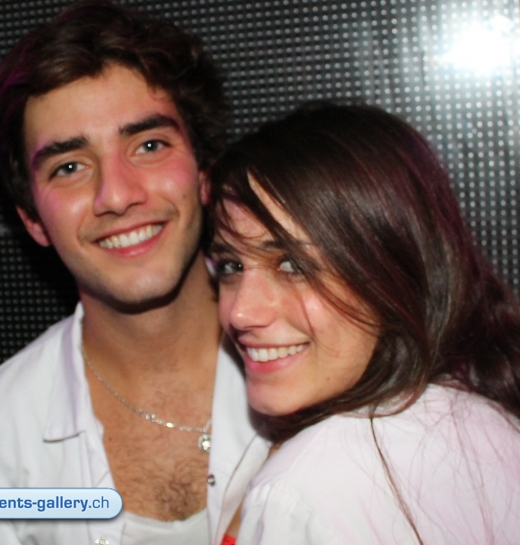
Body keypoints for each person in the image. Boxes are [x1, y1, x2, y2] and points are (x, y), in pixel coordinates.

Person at [0, 2, 268, 544]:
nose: (116, 195)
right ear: (32, 219)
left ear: (205, 173)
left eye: (149, 145)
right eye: (69, 167)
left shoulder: (326, 358)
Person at [208, 102, 520, 544]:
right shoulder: (492, 419)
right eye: (231, 266)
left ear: (394, 269)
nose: (240, 312)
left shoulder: (305, 492)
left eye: (292, 265)